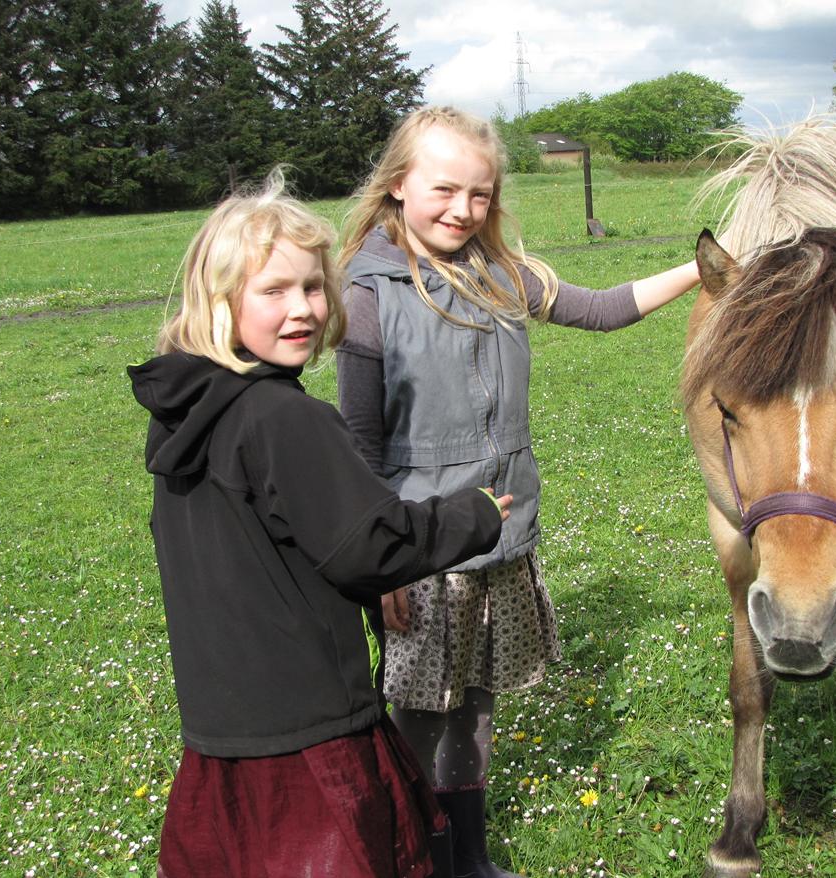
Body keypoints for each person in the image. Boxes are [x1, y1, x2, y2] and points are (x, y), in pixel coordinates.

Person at [336, 106, 701, 878]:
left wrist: (704, 268)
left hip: (499, 537)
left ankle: (469, 856)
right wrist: (387, 566)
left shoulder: (499, 271)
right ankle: (407, 854)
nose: (462, 210)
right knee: (418, 713)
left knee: (474, 705)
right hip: (423, 550)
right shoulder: (367, 293)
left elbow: (601, 310)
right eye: (444, 190)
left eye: (480, 194)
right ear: (399, 185)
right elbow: (360, 445)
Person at [128, 168, 512, 878]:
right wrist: (475, 515)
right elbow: (369, 547)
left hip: (220, 730)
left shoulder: (187, 415)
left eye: (311, 286)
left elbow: (280, 546)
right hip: (311, 732)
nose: (301, 308)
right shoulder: (285, 418)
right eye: (272, 291)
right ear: (218, 301)